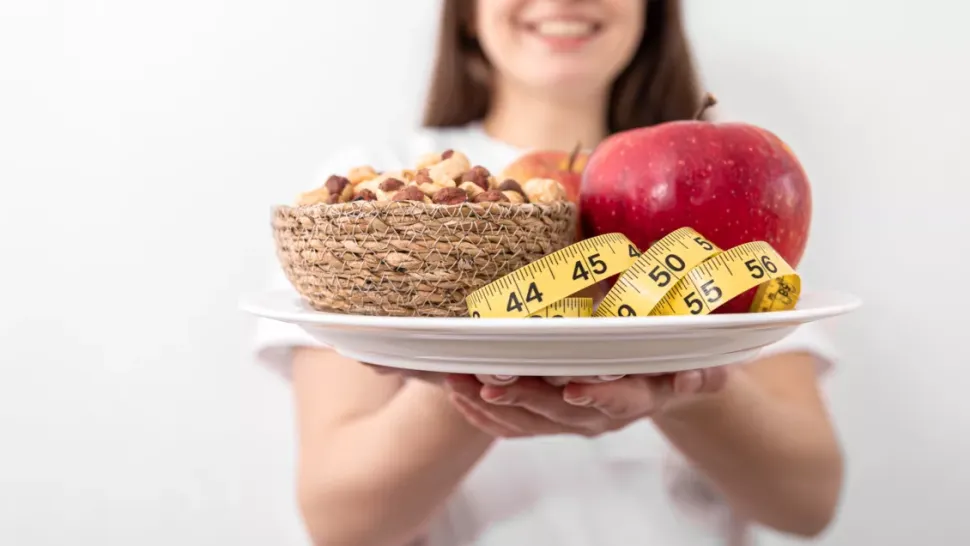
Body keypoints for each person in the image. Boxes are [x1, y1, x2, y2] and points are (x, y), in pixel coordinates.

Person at [253, 1, 844, 545]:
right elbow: (341, 524)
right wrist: (484, 372)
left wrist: (683, 383)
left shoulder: (718, 186)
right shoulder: (380, 190)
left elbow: (808, 504)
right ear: (466, 11)